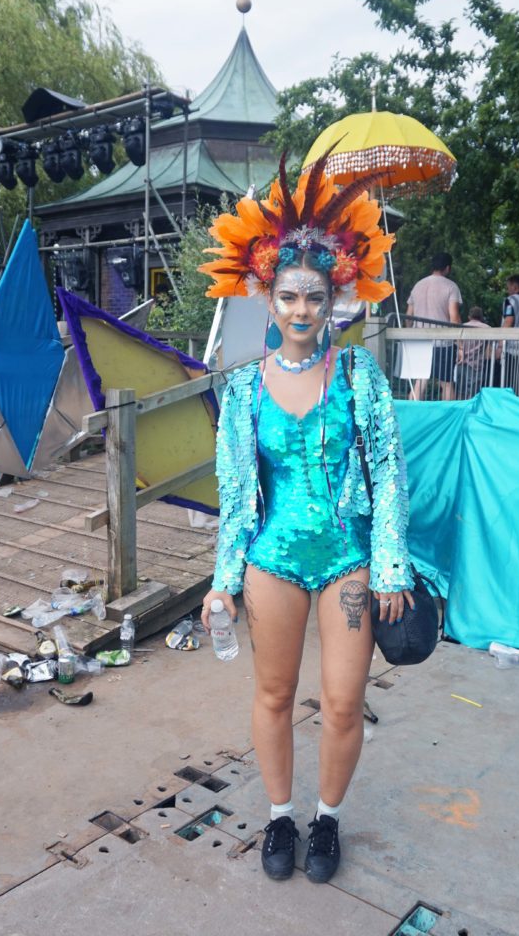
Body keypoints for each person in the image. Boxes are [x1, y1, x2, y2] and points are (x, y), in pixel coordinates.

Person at [198, 152, 414, 886]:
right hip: (273, 560)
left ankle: (327, 820)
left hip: (348, 561)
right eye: (288, 296)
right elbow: (236, 495)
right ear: (267, 296)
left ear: (334, 300)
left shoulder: (360, 376)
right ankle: (280, 817)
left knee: (346, 702)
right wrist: (223, 581)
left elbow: (388, 471)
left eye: (314, 298)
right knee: (274, 694)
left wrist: (389, 566)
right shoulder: (242, 391)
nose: (300, 311)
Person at [406, 252, 462, 401]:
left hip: (419, 340)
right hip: (443, 342)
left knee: (420, 381)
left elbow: (408, 317)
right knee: (447, 383)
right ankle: (448, 417)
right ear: (448, 268)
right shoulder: (451, 287)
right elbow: (454, 318)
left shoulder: (418, 285)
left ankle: (412, 414)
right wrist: (460, 344)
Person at [456, 306, 492, 398]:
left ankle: (461, 410)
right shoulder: (487, 328)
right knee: (473, 393)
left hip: (461, 363)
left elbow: (458, 344)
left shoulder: (462, 327)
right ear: (481, 317)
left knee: (460, 391)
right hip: (477, 365)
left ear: (469, 317)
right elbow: (489, 349)